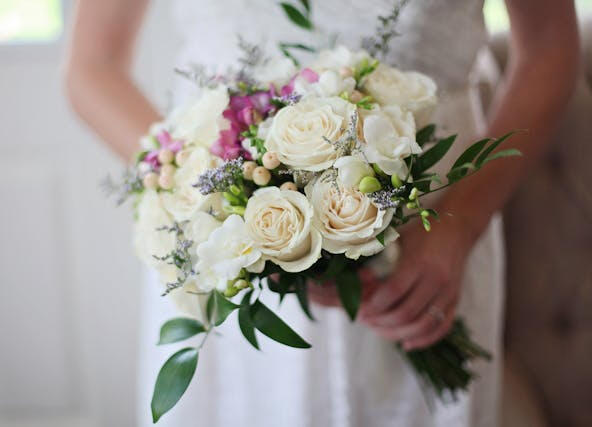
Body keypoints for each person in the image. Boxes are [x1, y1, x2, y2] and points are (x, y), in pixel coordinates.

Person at [65, 1, 579, 426]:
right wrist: (218, 202)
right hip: (229, 244)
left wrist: (458, 227)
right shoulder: (225, 215)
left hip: (436, 227)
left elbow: (549, 46)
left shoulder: (449, 230)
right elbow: (93, 67)